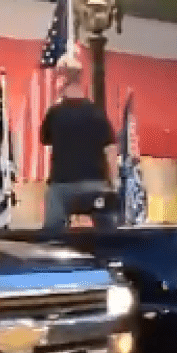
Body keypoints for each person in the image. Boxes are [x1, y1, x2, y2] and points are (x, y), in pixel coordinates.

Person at [39, 65, 118, 230]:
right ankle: (111, 250)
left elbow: (45, 140)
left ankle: (53, 248)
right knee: (108, 232)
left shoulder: (54, 114)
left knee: (53, 234)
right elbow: (111, 149)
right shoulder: (97, 113)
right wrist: (113, 183)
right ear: (82, 83)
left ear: (62, 84)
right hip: (94, 182)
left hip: (62, 184)